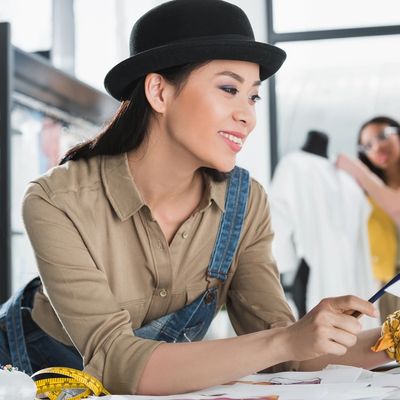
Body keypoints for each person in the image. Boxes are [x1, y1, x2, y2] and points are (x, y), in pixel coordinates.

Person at [0, 0, 389, 396]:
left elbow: (285, 347)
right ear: (159, 92)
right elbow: (115, 360)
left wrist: (390, 337)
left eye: (252, 97)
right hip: (31, 373)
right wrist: (287, 340)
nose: (247, 116)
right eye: (229, 89)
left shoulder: (244, 202)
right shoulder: (56, 199)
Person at [337, 116, 400, 321]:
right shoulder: (368, 195)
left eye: (382, 136)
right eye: (367, 146)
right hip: (388, 282)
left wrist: (360, 172)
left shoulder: (372, 187)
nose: (377, 148)